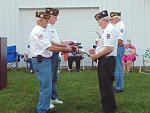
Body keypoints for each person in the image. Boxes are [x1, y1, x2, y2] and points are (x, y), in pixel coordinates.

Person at [29, 11, 72, 113]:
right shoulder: (38, 32)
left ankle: (45, 106)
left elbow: (50, 42)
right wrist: (66, 50)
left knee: (47, 85)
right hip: (41, 61)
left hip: (44, 60)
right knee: (46, 86)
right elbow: (50, 47)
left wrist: (63, 46)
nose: (47, 22)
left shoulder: (42, 30)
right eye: (46, 20)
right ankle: (42, 109)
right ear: (40, 20)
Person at [89, 10, 118, 113]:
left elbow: (109, 48)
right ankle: (112, 107)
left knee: (105, 87)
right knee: (107, 86)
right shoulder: (108, 30)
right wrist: (96, 50)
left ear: (103, 20)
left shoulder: (109, 30)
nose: (98, 24)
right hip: (107, 60)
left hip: (106, 61)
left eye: (99, 22)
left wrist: (95, 56)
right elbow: (105, 47)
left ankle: (108, 110)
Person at [45, 8, 68, 105]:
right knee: (49, 78)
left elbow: (56, 40)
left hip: (55, 54)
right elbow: (50, 42)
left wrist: (63, 42)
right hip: (51, 54)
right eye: (54, 17)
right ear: (49, 17)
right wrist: (63, 46)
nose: (56, 19)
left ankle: (53, 97)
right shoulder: (46, 27)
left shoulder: (52, 27)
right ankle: (48, 99)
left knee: (54, 77)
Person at [110, 11, 126, 93]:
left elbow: (120, 41)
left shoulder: (121, 25)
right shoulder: (116, 25)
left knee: (118, 68)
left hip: (118, 48)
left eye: (112, 19)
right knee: (116, 68)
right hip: (116, 48)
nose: (111, 20)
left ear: (117, 18)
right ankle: (118, 86)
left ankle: (119, 87)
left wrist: (109, 43)